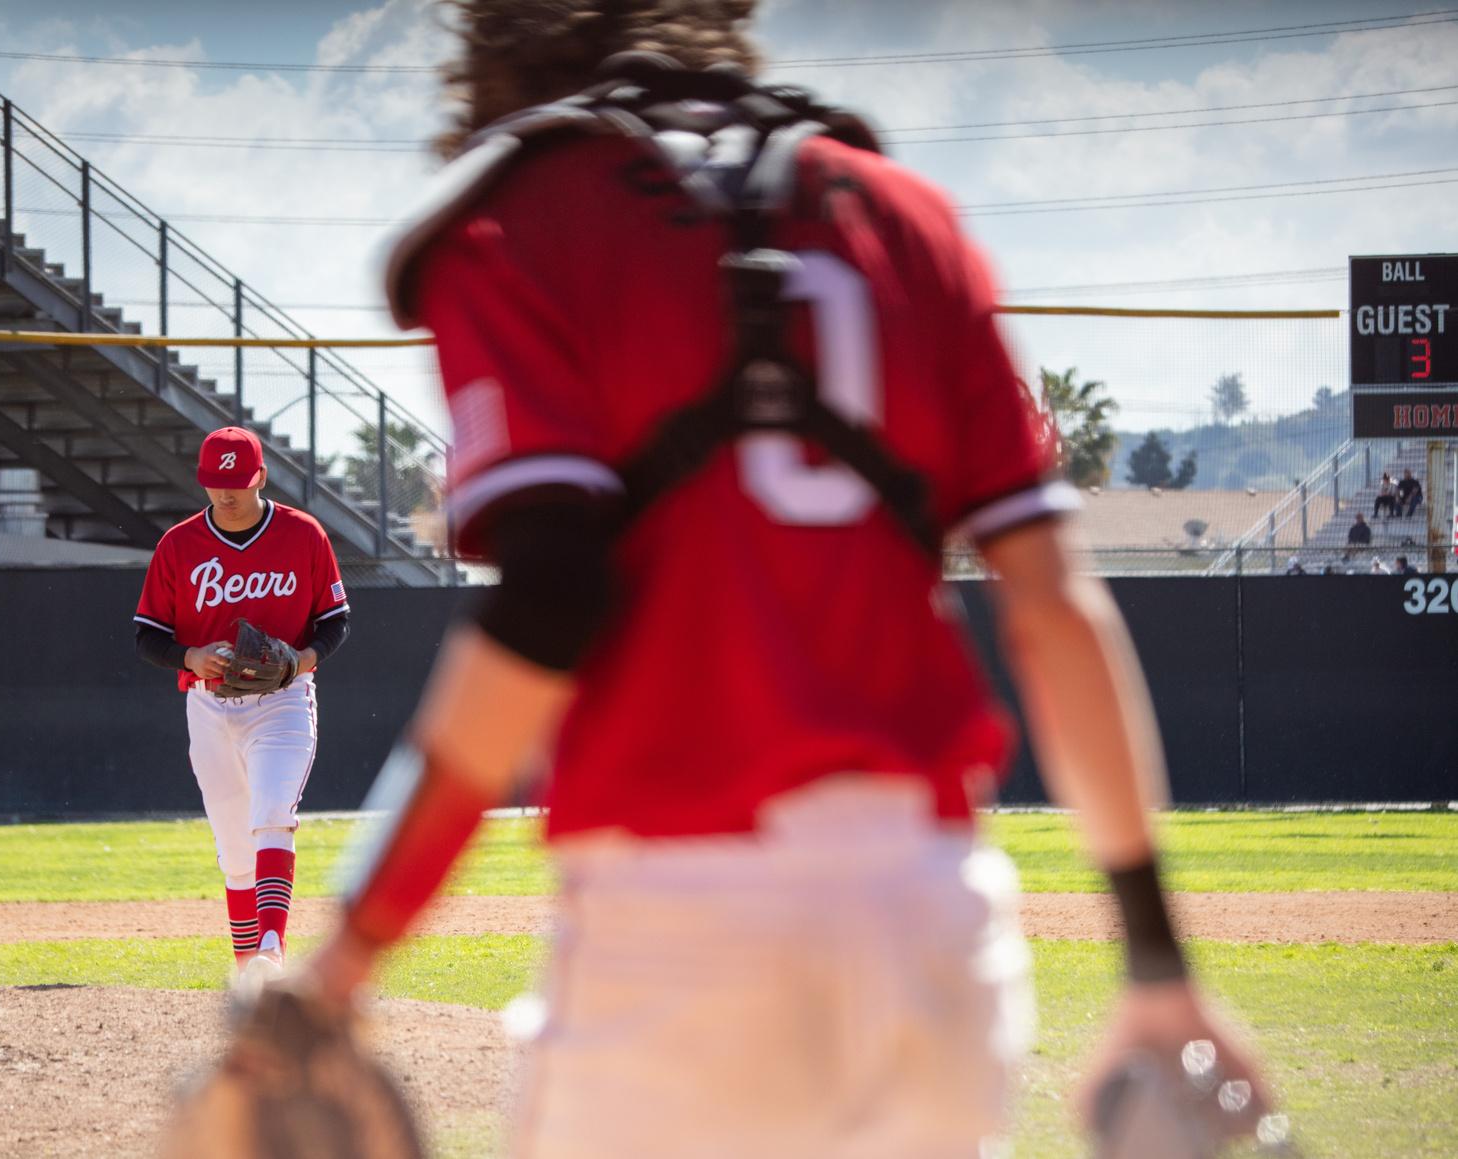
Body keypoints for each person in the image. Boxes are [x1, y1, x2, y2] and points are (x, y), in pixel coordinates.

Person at [188, 6, 1272, 1156]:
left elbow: (549, 598)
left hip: (677, 922)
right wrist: (1157, 963)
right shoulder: (906, 217)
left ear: (495, 63)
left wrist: (348, 956)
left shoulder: (523, 215)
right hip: (934, 916)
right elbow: (1055, 607)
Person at [133, 425, 351, 970]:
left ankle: (272, 950)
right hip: (208, 705)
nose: (226, 493)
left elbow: (335, 621)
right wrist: (190, 657)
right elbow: (148, 636)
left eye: (237, 482)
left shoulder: (303, 534)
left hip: (283, 698)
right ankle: (247, 970)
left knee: (273, 812)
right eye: (215, 482)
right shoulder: (178, 544)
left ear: (261, 477)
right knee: (235, 852)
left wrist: (302, 659)